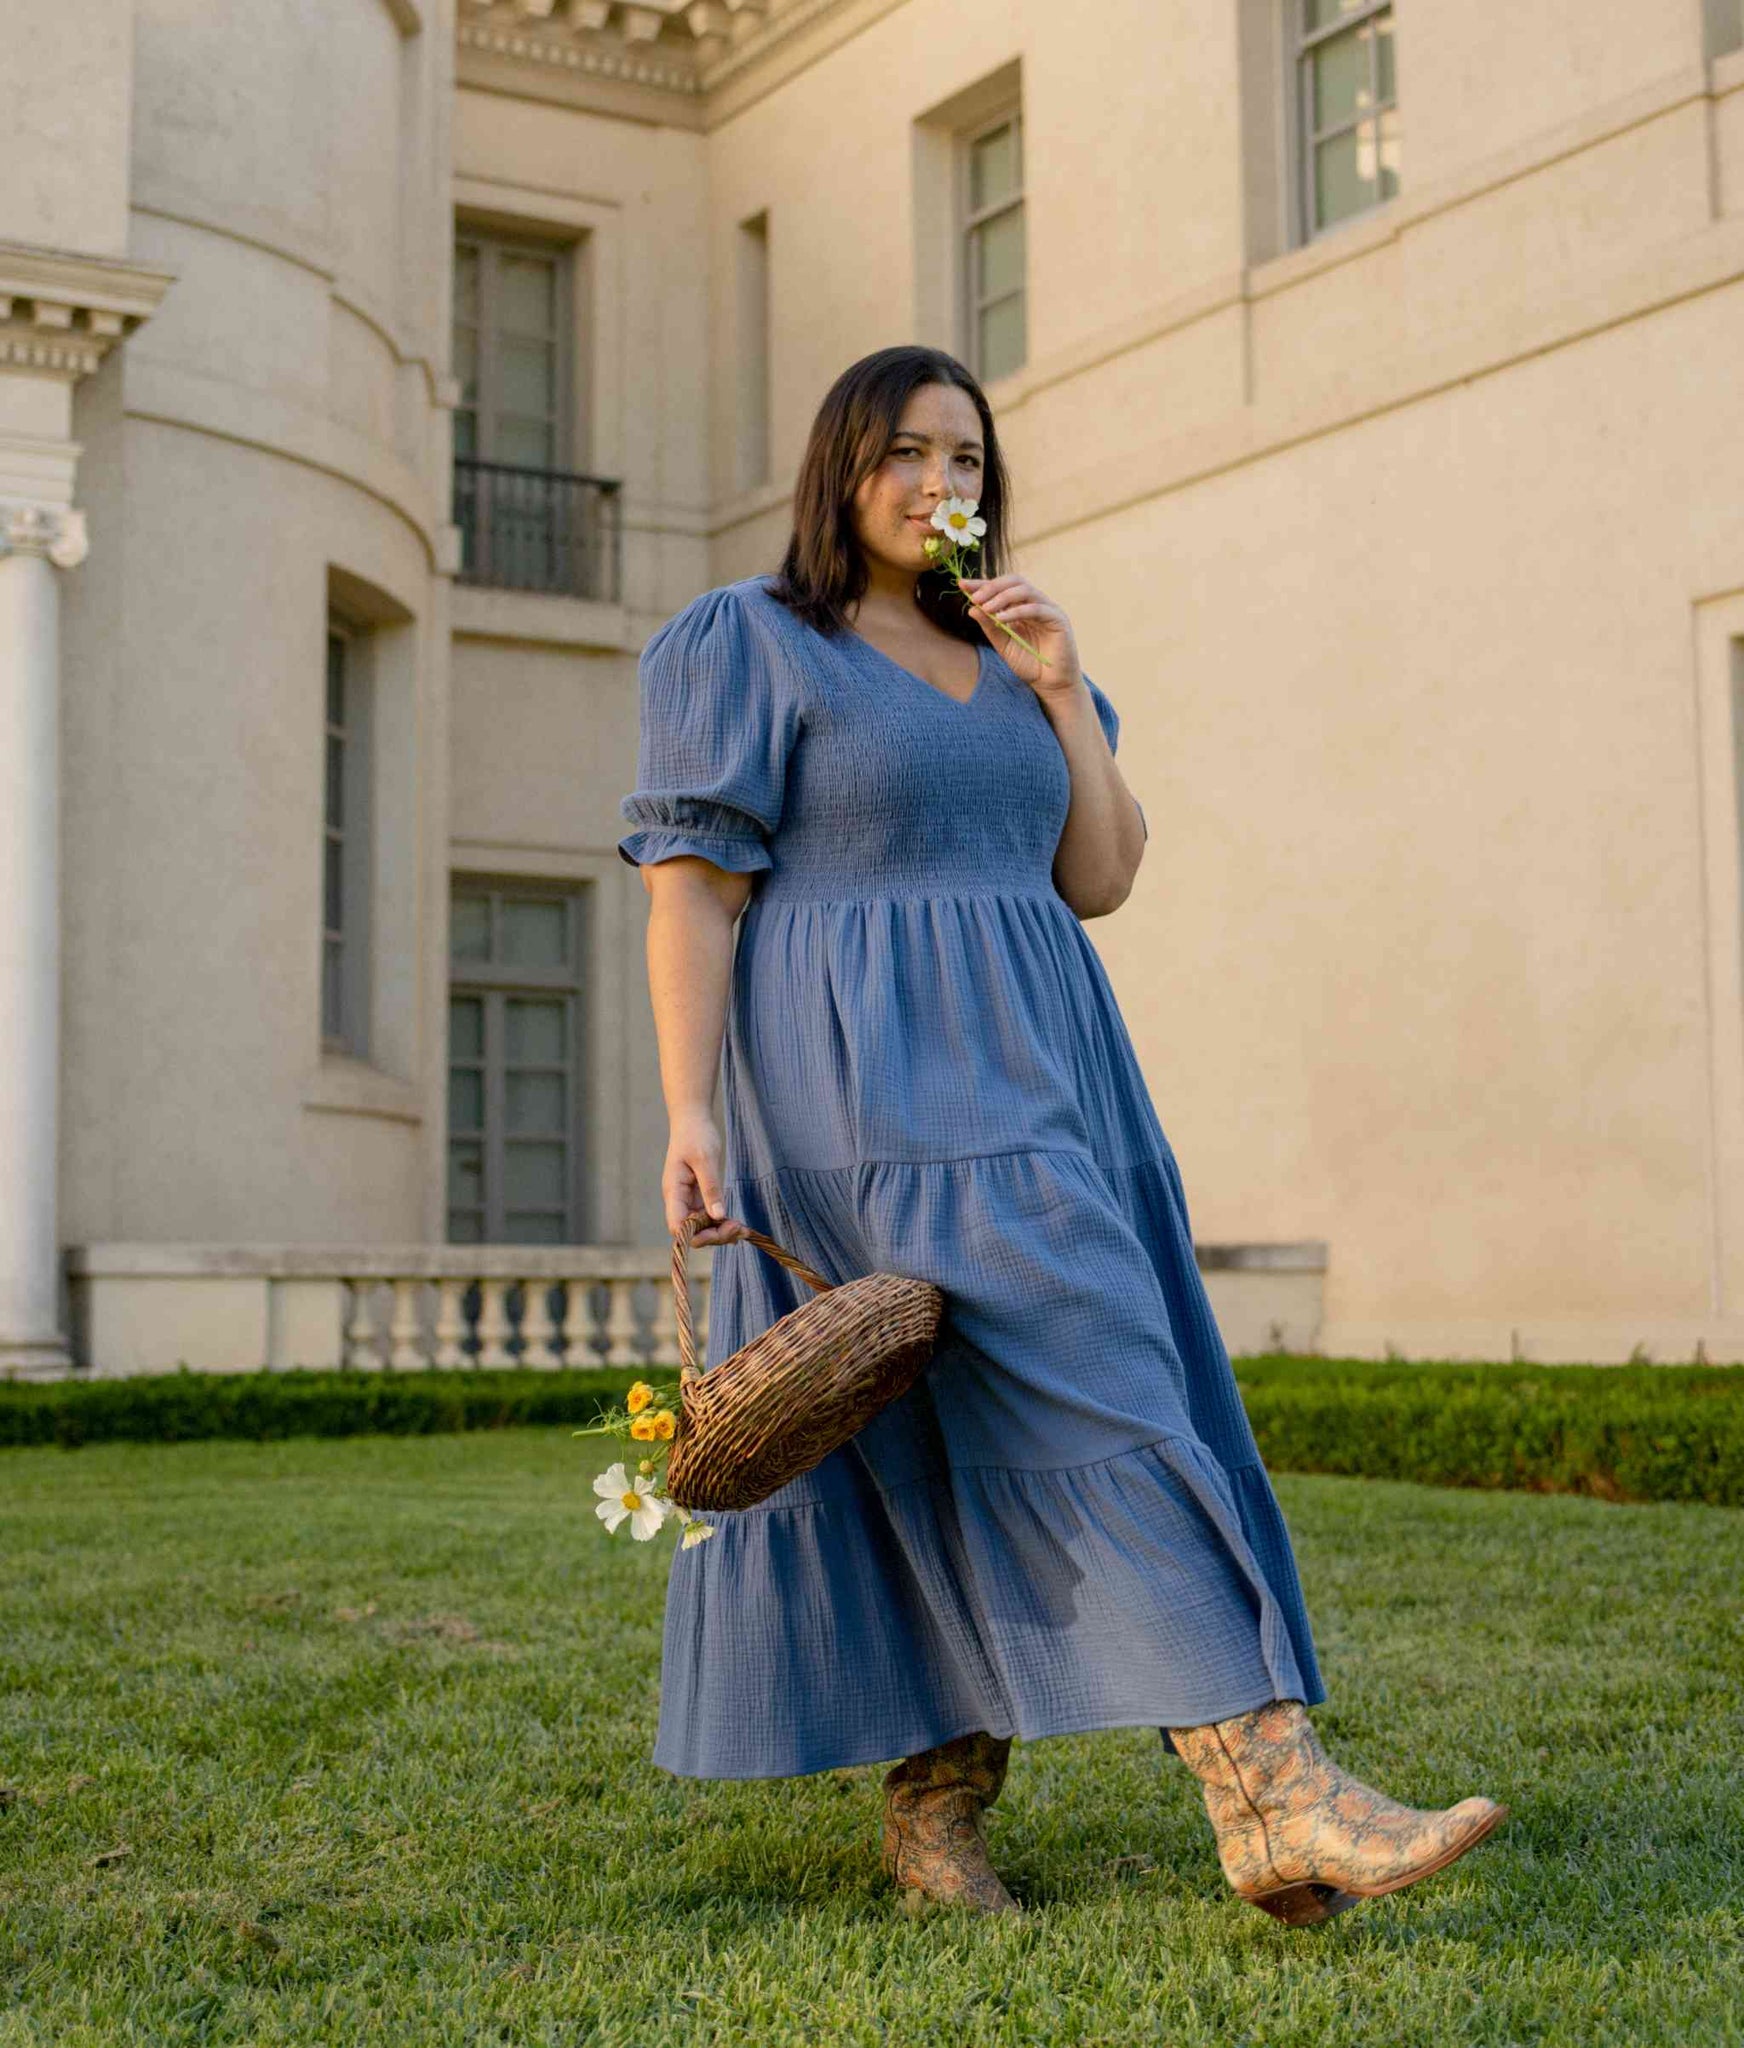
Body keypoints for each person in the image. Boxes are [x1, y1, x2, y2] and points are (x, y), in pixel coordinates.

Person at [616, 344, 1505, 1923]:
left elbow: (1097, 875)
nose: (938, 484)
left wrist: (1057, 694)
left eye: (964, 458)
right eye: (903, 454)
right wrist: (690, 1112)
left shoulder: (1027, 653)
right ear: (841, 469)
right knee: (982, 1405)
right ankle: (1177, 1802)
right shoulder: (749, 643)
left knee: (1072, 1394)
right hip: (858, 1087)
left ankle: (1130, 1809)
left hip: (1048, 1073)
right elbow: (693, 884)